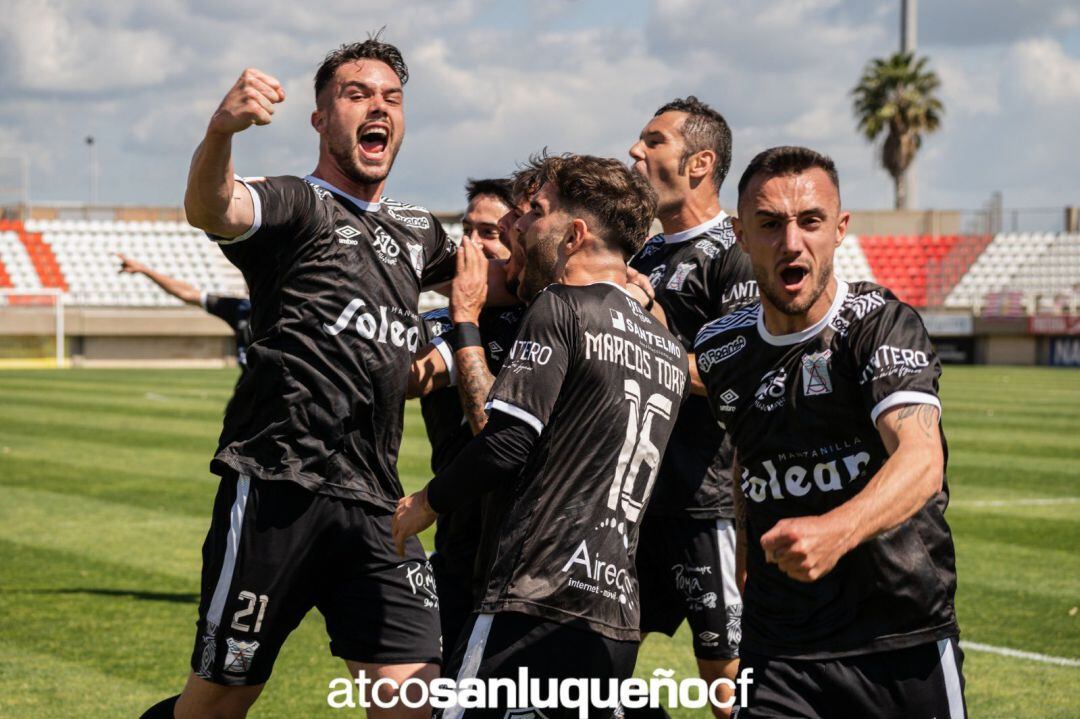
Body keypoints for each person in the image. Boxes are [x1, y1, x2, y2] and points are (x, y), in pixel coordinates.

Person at [141, 36, 459, 719]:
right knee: (217, 705)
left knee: (417, 704)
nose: (378, 106)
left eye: (391, 97)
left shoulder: (416, 230)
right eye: (356, 94)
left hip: (377, 504)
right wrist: (220, 131)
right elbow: (213, 208)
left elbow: (491, 276)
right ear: (320, 119)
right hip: (279, 486)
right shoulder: (295, 204)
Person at [393, 154, 688, 718]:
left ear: (574, 234)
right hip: (615, 609)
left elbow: (506, 442)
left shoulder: (561, 306)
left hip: (532, 592)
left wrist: (424, 503)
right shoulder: (667, 347)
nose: (521, 226)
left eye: (537, 213)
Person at [694, 146, 964, 718]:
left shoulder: (879, 326)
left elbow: (920, 459)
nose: (792, 243)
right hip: (777, 647)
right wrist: (746, 557)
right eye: (769, 225)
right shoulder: (722, 349)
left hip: (899, 639)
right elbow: (748, 458)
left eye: (810, 221)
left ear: (839, 229)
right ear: (741, 236)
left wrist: (836, 531)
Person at [626, 96, 756, 718]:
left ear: (700, 162)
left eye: (653, 142)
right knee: (594, 655)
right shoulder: (644, 256)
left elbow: (740, 372)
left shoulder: (736, 253)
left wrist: (649, 341)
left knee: (726, 684)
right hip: (634, 502)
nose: (634, 151)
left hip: (708, 506)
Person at [408, 177, 528, 660]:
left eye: (490, 233)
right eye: (468, 230)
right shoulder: (446, 322)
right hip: (460, 540)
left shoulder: (551, 317)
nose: (472, 245)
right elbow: (414, 376)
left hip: (528, 546)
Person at [117, 254, 252, 375]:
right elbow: (186, 293)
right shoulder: (239, 308)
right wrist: (144, 270)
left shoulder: (272, 312)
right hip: (248, 387)